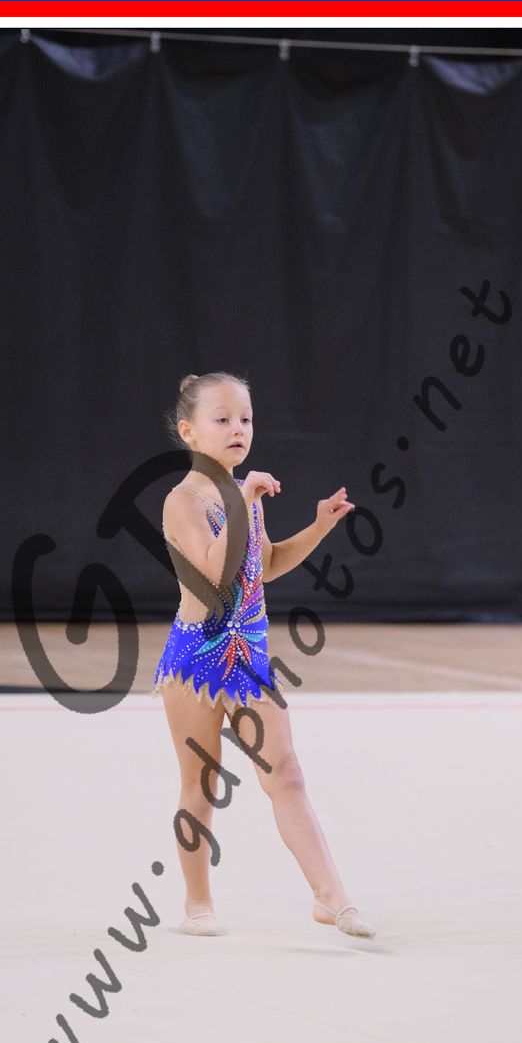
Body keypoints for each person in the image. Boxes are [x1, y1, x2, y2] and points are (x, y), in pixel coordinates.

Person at [152, 371, 376, 940]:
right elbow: (213, 571)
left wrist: (318, 527)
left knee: (287, 774)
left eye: (246, 419)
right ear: (188, 431)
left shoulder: (242, 494)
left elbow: (265, 564)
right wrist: (243, 498)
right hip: (196, 661)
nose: (239, 429)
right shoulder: (183, 501)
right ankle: (197, 903)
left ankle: (331, 897)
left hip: (249, 657)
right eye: (222, 419)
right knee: (200, 785)